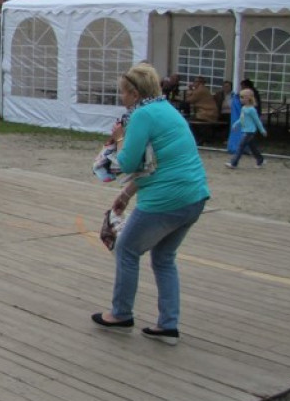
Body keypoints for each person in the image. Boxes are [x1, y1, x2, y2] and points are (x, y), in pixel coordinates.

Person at [91, 63, 210, 346]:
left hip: (164, 200)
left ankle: (120, 314)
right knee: (164, 258)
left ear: (133, 92)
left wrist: (119, 138)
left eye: (122, 92)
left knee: (127, 250)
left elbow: (129, 163)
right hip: (193, 197)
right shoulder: (167, 110)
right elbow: (154, 165)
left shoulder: (142, 115)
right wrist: (127, 195)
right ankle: (168, 325)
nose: (121, 98)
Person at [226, 88, 266, 169]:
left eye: (242, 97)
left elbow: (257, 120)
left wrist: (262, 130)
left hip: (250, 132)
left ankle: (233, 163)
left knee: (240, 146)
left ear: (247, 98)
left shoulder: (252, 110)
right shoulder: (244, 108)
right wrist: (235, 124)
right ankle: (260, 160)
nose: (240, 99)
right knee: (253, 147)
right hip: (246, 130)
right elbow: (241, 118)